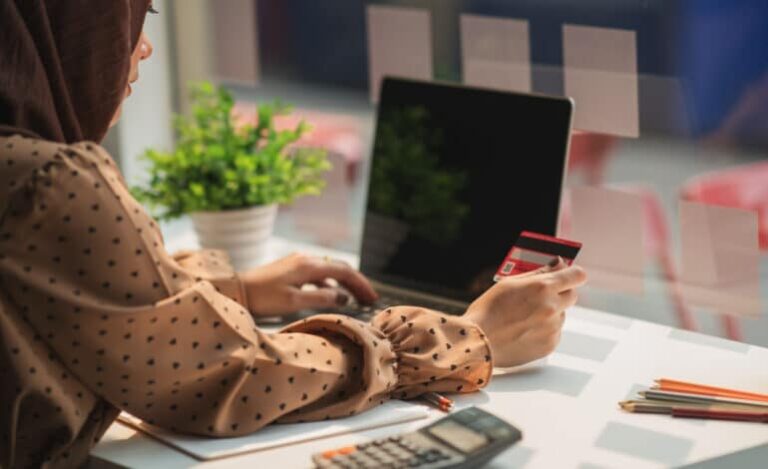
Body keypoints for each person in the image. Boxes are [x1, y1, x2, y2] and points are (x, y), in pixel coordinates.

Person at [0, 1, 587, 467]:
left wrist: (236, 290)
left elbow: (78, 295)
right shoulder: (49, 183)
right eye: (134, 16)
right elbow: (232, 374)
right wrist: (466, 337)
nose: (143, 47)